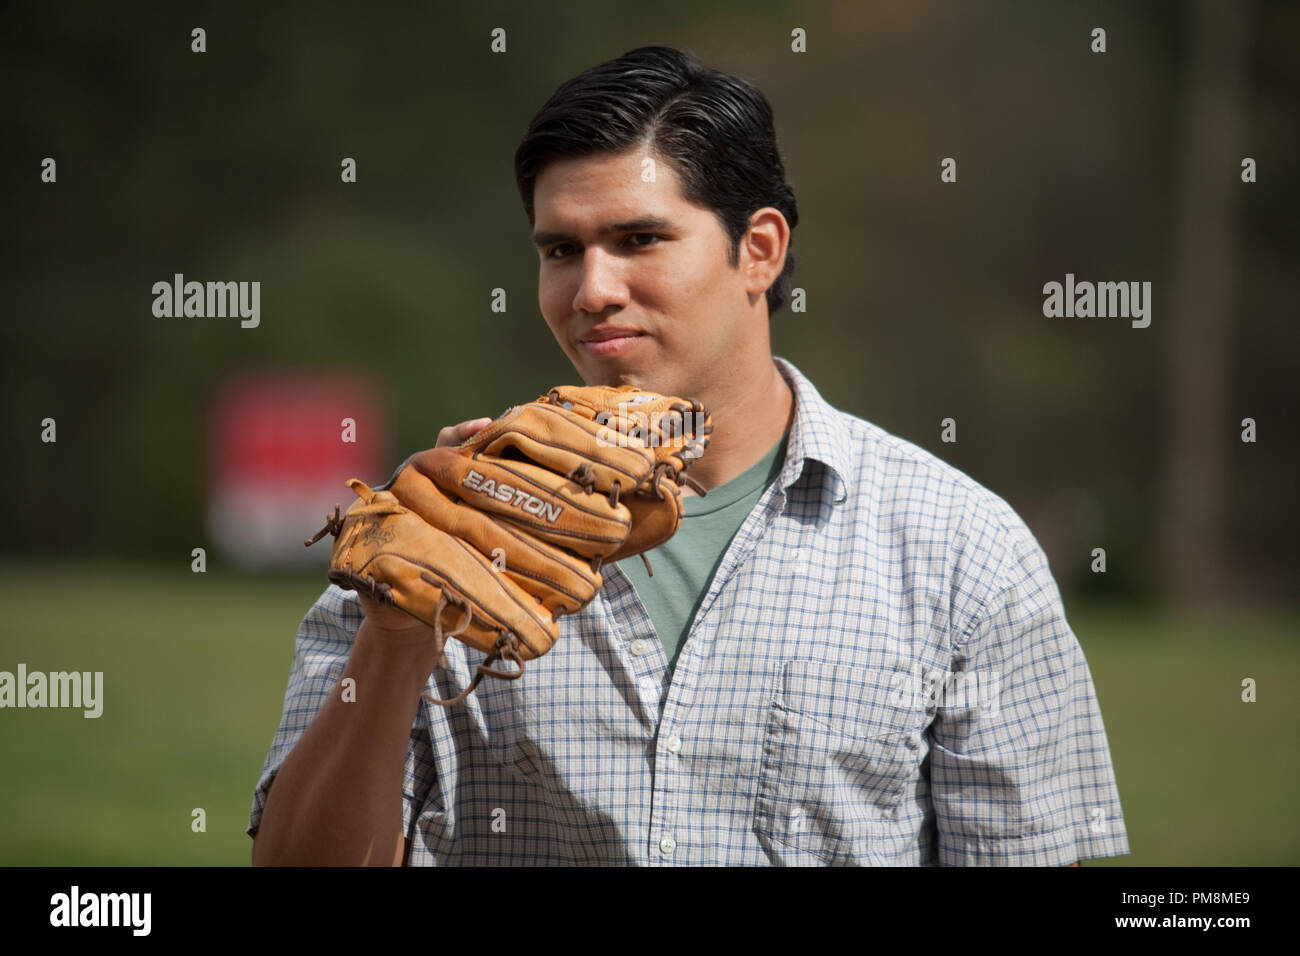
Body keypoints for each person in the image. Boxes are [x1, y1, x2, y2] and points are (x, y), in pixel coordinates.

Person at [249, 45, 1130, 866]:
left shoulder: (961, 551)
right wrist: (395, 641)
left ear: (760, 251)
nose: (592, 290)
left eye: (639, 240)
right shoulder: (432, 525)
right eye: (561, 250)